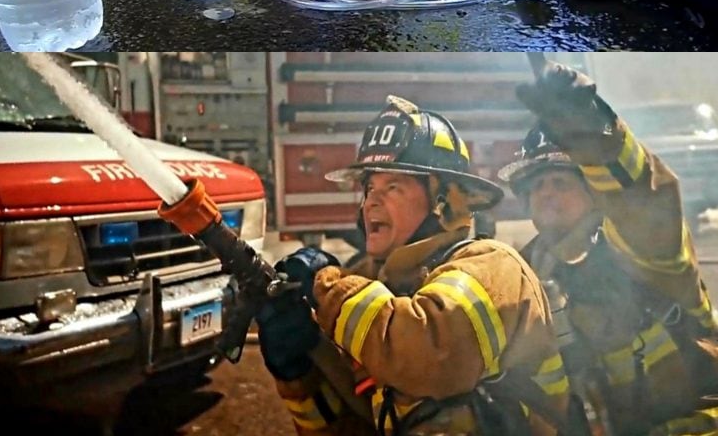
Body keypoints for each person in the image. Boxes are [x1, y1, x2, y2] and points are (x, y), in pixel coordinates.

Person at [256, 95, 572, 436]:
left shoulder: (493, 267)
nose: (372, 200)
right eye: (369, 187)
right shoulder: (380, 287)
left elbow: (430, 357)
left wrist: (324, 284)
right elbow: (363, 423)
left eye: (393, 186)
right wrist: (301, 371)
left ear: (445, 202)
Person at [498, 62, 718, 436]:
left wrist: (589, 130)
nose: (546, 194)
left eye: (560, 182)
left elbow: (640, 193)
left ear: (594, 190)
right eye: (536, 187)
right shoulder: (524, 273)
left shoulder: (642, 249)